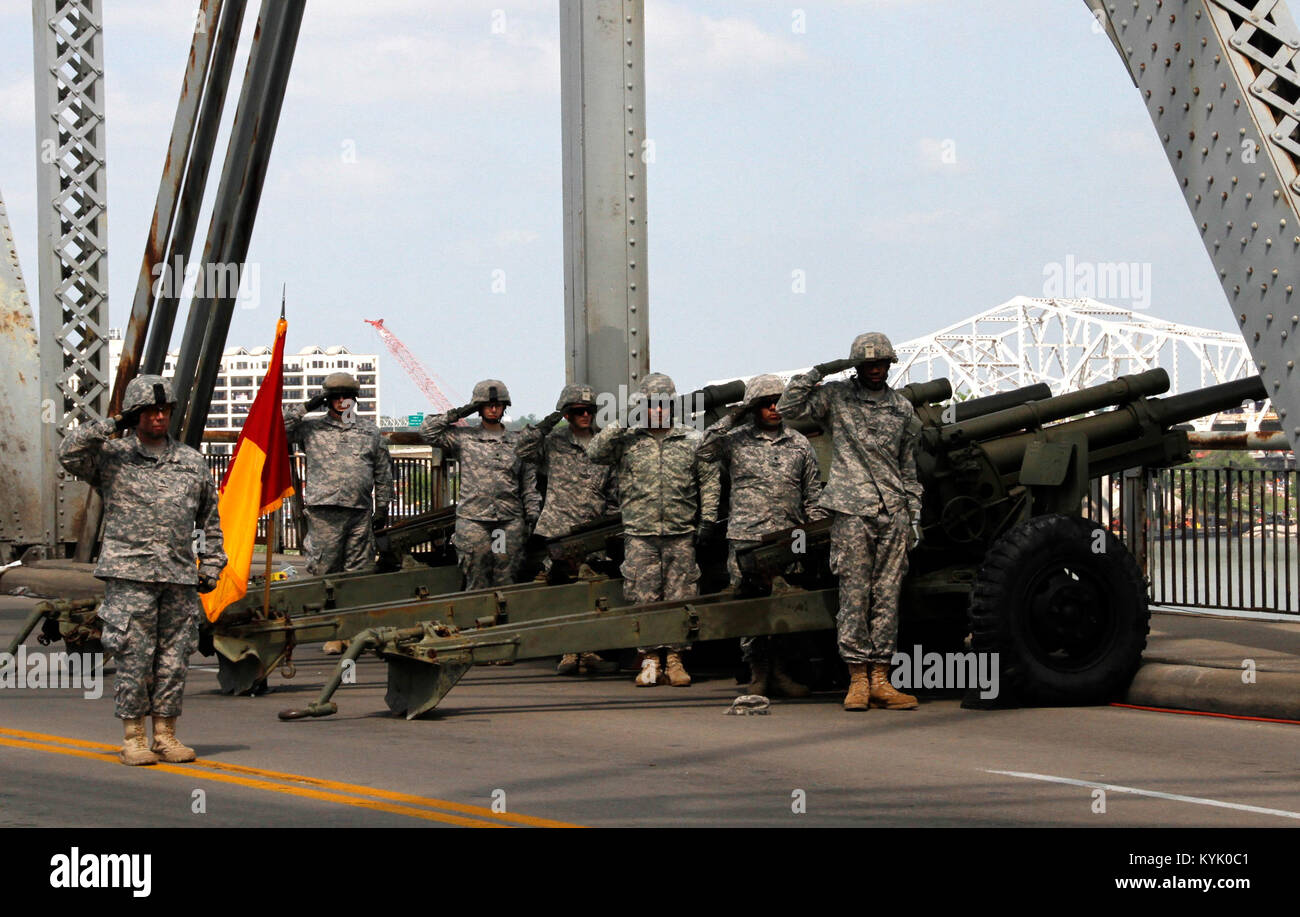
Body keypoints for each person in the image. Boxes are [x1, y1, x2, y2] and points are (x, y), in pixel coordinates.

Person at [58, 375, 226, 765]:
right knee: (133, 655)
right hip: (130, 573)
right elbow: (69, 452)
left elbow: (210, 519)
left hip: (178, 575)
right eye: (148, 412)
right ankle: (133, 736)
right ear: (135, 416)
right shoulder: (112, 459)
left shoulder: (191, 462)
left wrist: (213, 564)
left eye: (163, 411)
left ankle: (165, 734)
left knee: (174, 657)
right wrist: (115, 423)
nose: (157, 419)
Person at [777, 333, 924, 712]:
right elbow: (788, 408)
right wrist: (820, 372)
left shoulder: (902, 409)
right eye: (866, 364)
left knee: (887, 597)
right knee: (854, 594)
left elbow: (908, 467)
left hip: (892, 512)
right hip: (852, 510)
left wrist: (913, 516)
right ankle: (857, 678)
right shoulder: (836, 397)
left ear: (889, 365)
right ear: (856, 366)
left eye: (880, 363)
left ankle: (881, 678)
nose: (874, 369)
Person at [587, 373, 721, 687]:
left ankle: (675, 660)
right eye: (651, 406)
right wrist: (624, 419)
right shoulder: (628, 439)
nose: (658, 411)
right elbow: (594, 452)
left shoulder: (692, 439)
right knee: (644, 599)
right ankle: (649, 660)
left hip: (680, 533)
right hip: (640, 533)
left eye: (663, 405)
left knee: (680, 598)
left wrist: (708, 520)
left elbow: (710, 482)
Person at [697, 373, 827, 697]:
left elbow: (813, 496)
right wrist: (735, 414)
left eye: (778, 402)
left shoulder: (799, 444)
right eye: (766, 403)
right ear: (755, 408)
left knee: (784, 611)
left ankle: (780, 673)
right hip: (747, 538)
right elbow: (702, 450)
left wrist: (816, 535)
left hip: (788, 538)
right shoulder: (735, 440)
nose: (773, 408)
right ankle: (757, 674)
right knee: (750, 609)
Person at [284, 371, 393, 654]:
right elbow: (278, 428)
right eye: (336, 397)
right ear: (328, 400)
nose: (342, 402)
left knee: (357, 575)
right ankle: (333, 631)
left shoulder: (369, 432)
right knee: (325, 572)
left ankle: (353, 633)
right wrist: (308, 405)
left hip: (359, 512)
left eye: (347, 397)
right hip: (324, 513)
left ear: (354, 400)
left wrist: (382, 508)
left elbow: (383, 473)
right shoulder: (312, 429)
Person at [517, 383, 620, 675]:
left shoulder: (604, 445)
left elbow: (614, 492)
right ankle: (567, 651)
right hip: (559, 529)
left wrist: (610, 526)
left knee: (591, 594)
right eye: (577, 411)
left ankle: (588, 650)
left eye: (588, 410)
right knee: (564, 595)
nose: (585, 415)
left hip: (592, 531)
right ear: (567, 414)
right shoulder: (554, 442)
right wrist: (551, 418)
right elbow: (523, 449)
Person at [419, 379, 540, 590]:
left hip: (506, 522)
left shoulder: (517, 442)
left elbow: (528, 485)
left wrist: (532, 515)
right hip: (474, 522)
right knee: (476, 577)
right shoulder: (464, 439)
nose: (493, 409)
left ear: (504, 408)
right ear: (479, 408)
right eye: (487, 405)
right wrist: (460, 412)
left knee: (504, 575)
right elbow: (427, 432)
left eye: (497, 405)